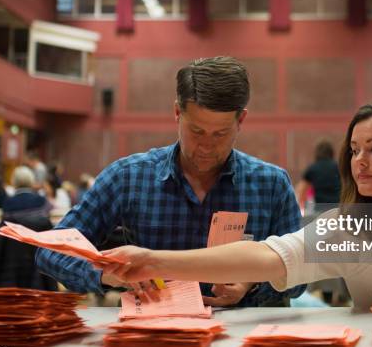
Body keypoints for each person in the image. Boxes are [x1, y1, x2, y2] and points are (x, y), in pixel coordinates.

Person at [98, 101, 372, 311]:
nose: (359, 161)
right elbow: (267, 255)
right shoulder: (348, 227)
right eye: (354, 149)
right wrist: (156, 262)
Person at [36, 56, 305, 307]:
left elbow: (301, 277)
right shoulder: (129, 177)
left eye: (221, 133)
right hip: (157, 335)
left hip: (243, 342)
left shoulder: (271, 185)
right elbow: (50, 251)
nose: (206, 146)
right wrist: (109, 275)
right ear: (177, 113)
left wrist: (254, 280)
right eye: (196, 130)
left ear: (241, 120)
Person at [295, 140, 341, 210]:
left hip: (320, 210)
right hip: (337, 209)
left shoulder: (312, 169)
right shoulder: (338, 167)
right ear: (332, 152)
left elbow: (301, 191)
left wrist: (302, 207)